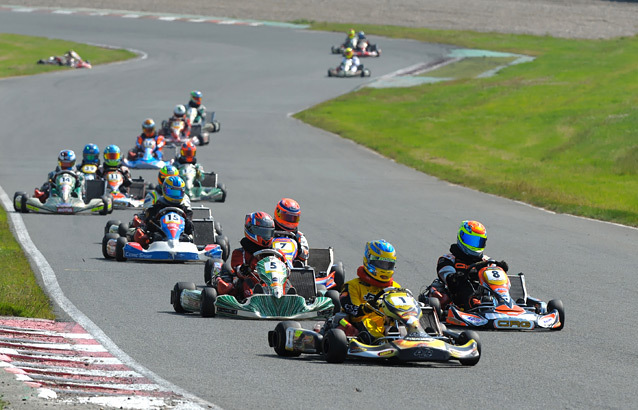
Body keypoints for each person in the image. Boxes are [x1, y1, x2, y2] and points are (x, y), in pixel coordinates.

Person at [427, 220, 508, 310]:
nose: (475, 245)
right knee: (462, 282)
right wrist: (461, 275)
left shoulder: (487, 260)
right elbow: (448, 277)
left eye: (478, 241)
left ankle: (508, 304)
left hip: (484, 295)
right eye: (471, 240)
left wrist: (500, 269)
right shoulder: (447, 259)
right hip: (458, 298)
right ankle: (474, 304)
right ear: (461, 237)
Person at [339, 239, 400, 343]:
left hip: (388, 324)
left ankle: (419, 337)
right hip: (361, 327)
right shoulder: (353, 286)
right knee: (368, 322)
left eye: (388, 265)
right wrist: (366, 308)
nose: (384, 268)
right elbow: (351, 309)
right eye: (381, 263)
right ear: (368, 261)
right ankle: (381, 342)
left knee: (405, 322)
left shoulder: (395, 287)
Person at [212, 212, 276, 300]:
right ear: (251, 230)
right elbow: (238, 269)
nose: (265, 236)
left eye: (268, 233)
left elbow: (283, 264)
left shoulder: (275, 252)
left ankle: (289, 296)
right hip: (248, 282)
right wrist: (243, 269)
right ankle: (254, 297)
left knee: (286, 282)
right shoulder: (240, 252)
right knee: (246, 281)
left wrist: (286, 268)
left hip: (272, 282)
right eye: (262, 232)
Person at [134, 176, 193, 247]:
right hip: (159, 236)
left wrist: (188, 223)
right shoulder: (157, 206)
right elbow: (147, 222)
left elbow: (190, 227)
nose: (175, 196)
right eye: (172, 192)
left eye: (177, 193)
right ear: (164, 190)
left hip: (181, 237)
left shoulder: (185, 209)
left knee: (192, 235)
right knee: (138, 234)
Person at [273, 198, 309, 264]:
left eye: (293, 218)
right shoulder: (268, 232)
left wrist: (299, 249)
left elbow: (305, 255)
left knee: (299, 264)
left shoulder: (299, 236)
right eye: (287, 217)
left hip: (292, 268)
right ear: (277, 213)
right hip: (270, 262)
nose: (290, 221)